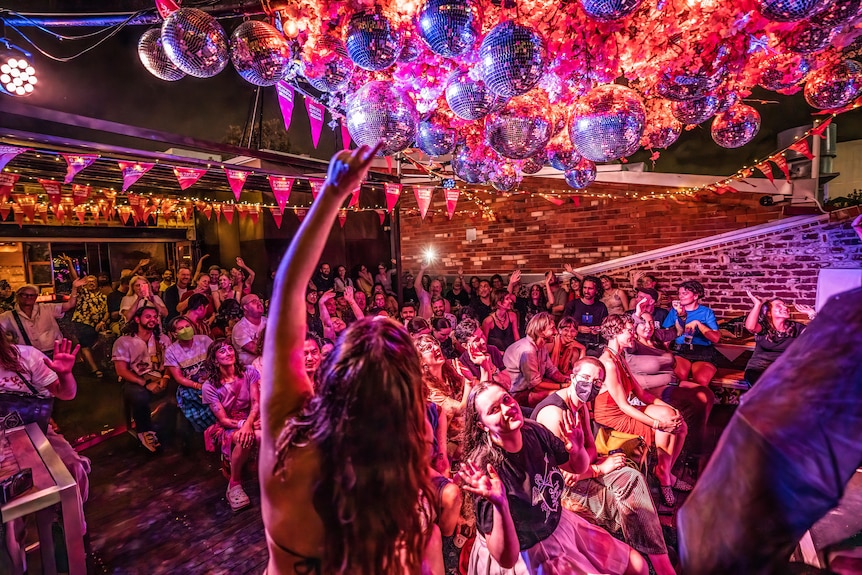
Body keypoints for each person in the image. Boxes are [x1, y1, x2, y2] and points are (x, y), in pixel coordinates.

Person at [260, 142, 436, 574]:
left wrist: (334, 192)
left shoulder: (288, 441)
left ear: (330, 373)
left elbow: (287, 288)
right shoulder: (402, 481)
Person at [458, 381, 648, 575]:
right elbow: (507, 558)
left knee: (637, 566)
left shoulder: (534, 431)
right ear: (482, 425)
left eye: (506, 399)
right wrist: (500, 504)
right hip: (527, 554)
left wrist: (577, 449)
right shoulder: (485, 469)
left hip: (558, 525)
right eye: (494, 409)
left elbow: (576, 467)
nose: (507, 408)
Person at [533, 357, 677, 575]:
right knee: (627, 484)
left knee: (629, 473)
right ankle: (657, 562)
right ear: (572, 377)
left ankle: (653, 555)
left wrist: (587, 463)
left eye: (597, 382)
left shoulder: (579, 406)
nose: (591, 385)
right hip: (556, 492)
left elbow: (590, 448)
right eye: (585, 378)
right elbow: (559, 476)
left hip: (580, 473)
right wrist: (599, 469)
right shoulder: (555, 414)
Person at [0, 334, 91, 569]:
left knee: (73, 468)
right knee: (13, 507)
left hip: (38, 432)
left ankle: (71, 533)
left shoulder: (25, 356)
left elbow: (66, 393)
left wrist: (65, 374)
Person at [595, 314, 690, 507]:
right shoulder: (609, 362)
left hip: (624, 408)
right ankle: (664, 479)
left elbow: (640, 393)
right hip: (612, 414)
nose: (633, 334)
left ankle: (666, 471)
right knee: (665, 425)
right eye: (629, 330)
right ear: (615, 333)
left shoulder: (619, 356)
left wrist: (669, 408)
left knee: (680, 424)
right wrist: (657, 423)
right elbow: (623, 406)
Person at [625, 306, 714, 471]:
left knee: (706, 394)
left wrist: (681, 314)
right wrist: (636, 314)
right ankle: (693, 454)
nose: (648, 326)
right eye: (643, 322)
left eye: (651, 322)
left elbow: (678, 331)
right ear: (634, 325)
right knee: (697, 399)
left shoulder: (656, 337)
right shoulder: (632, 344)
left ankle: (695, 445)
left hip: (672, 382)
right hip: (652, 390)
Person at [201, 339, 261, 512]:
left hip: (252, 417)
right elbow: (223, 420)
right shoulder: (210, 386)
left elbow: (255, 403)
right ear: (214, 359)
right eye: (222, 351)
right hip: (229, 425)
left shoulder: (249, 372)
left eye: (230, 349)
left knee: (266, 434)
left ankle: (267, 475)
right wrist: (244, 425)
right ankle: (234, 484)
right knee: (247, 438)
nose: (228, 353)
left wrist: (249, 423)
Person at [111, 306, 172, 452]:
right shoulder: (124, 342)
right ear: (137, 319)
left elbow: (171, 361)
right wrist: (146, 383)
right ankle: (145, 432)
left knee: (183, 386)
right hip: (135, 380)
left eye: (154, 317)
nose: (152, 319)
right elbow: (121, 370)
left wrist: (166, 376)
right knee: (139, 396)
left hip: (160, 376)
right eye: (148, 316)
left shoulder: (163, 339)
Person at [415, 333, 474, 465]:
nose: (436, 348)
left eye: (435, 344)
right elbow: (461, 409)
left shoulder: (450, 373)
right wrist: (470, 382)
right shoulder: (427, 389)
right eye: (428, 348)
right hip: (449, 444)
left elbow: (474, 397)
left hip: (467, 432)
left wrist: (484, 367)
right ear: (421, 360)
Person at [742, 290, 814, 385]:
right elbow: (750, 327)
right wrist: (757, 305)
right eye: (779, 306)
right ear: (768, 313)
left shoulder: (795, 327)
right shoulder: (764, 327)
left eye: (785, 305)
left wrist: (812, 314)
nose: (785, 307)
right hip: (759, 370)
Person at [503, 312, 568, 407]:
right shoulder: (527, 351)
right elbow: (536, 386)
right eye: (552, 328)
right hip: (517, 395)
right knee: (559, 396)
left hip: (530, 389)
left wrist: (566, 380)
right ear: (541, 331)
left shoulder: (541, 346)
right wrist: (563, 387)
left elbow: (551, 370)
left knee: (564, 391)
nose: (556, 332)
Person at [0, 282, 82, 357]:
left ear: (36, 297)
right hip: (27, 355)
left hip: (53, 352)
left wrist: (74, 287)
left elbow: (69, 305)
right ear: (18, 296)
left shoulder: (47, 308)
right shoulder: (8, 316)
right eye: (24, 295)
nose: (29, 297)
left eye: (32, 295)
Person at [662, 280, 720, 387]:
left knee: (701, 381)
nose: (681, 297)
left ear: (695, 296)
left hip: (703, 352)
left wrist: (699, 324)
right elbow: (665, 335)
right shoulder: (674, 311)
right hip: (681, 351)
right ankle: (679, 403)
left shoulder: (706, 312)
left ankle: (699, 402)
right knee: (678, 378)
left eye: (685, 293)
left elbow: (716, 338)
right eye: (679, 294)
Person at [164, 316, 216, 433]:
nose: (186, 330)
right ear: (174, 333)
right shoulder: (171, 351)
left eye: (187, 326)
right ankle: (209, 433)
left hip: (212, 380)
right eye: (181, 328)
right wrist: (198, 386)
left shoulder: (204, 340)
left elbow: (216, 361)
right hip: (191, 387)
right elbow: (179, 378)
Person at [70, 274, 109, 377]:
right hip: (82, 322)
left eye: (93, 281)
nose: (91, 283)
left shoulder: (103, 297)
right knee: (85, 344)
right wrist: (69, 263)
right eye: (89, 282)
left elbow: (106, 312)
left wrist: (102, 322)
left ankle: (94, 364)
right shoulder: (83, 293)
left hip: (97, 324)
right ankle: (94, 369)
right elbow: (75, 280)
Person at [563, 275, 608, 356]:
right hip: (575, 342)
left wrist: (599, 329)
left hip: (594, 343)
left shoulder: (601, 306)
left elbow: (606, 327)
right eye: (584, 288)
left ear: (596, 290)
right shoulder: (573, 305)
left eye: (590, 288)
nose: (586, 291)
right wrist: (577, 328)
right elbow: (562, 325)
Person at [232, 294, 267, 367]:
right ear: (245, 307)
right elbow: (256, 350)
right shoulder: (240, 328)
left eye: (259, 301)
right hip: (249, 369)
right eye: (254, 301)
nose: (259, 303)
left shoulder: (267, 321)